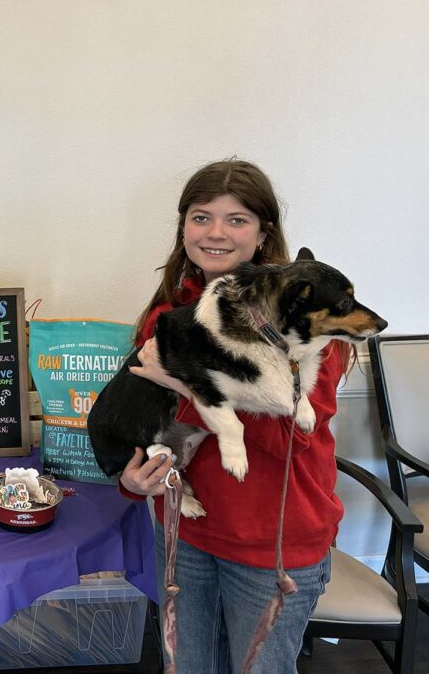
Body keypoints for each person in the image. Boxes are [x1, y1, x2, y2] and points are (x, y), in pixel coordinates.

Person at [118, 159, 347, 673]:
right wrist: (132, 479)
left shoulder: (312, 319)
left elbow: (294, 440)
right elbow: (148, 419)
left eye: (237, 219)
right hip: (185, 532)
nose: (216, 233)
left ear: (264, 234)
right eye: (201, 217)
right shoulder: (168, 317)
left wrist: (184, 379)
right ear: (183, 228)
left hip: (274, 546)